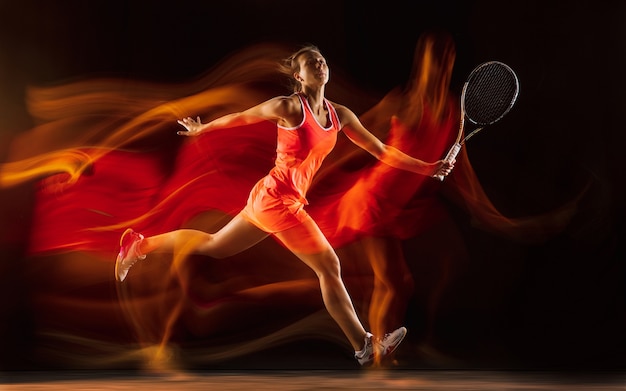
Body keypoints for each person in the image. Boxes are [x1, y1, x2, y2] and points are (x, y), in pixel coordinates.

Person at [114, 45, 454, 366]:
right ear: (300, 76)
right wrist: (204, 129)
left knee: (215, 246)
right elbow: (244, 117)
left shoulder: (340, 116)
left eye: (322, 60)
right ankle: (364, 345)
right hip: (278, 201)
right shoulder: (289, 107)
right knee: (329, 266)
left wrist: (428, 167)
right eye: (311, 62)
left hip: (272, 197)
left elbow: (381, 151)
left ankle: (139, 245)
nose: (320, 64)